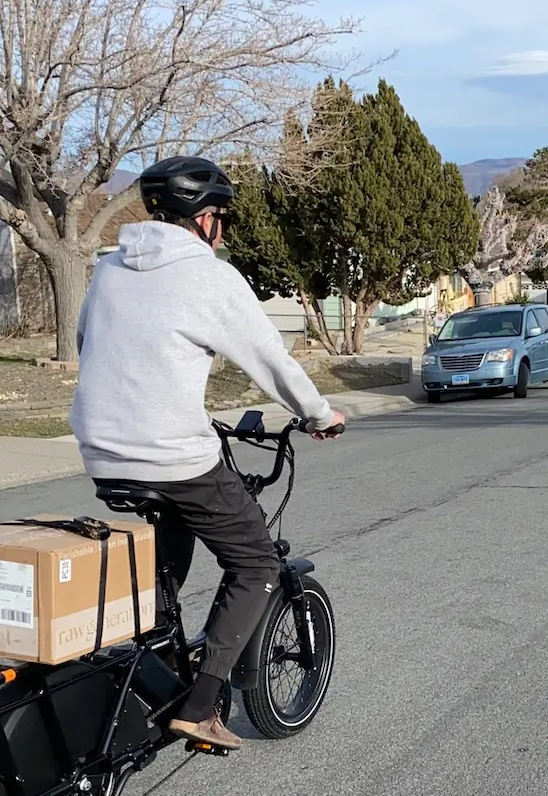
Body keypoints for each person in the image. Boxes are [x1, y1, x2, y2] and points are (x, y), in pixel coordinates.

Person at [69, 156, 344, 752]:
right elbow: (272, 360)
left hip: (100, 447)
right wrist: (320, 414)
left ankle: (162, 654)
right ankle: (198, 708)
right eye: (223, 217)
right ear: (204, 219)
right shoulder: (210, 276)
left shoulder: (110, 267)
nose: (223, 230)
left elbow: (88, 343)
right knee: (256, 564)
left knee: (170, 536)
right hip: (169, 451)